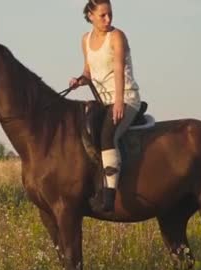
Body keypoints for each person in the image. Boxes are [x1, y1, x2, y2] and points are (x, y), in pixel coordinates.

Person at [69, 0, 141, 213]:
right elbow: (88, 72)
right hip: (102, 101)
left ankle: (109, 196)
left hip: (126, 97)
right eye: (103, 15)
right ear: (90, 15)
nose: (108, 19)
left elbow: (119, 69)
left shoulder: (117, 36)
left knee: (107, 134)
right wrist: (79, 80)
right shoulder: (86, 40)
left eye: (110, 14)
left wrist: (119, 101)